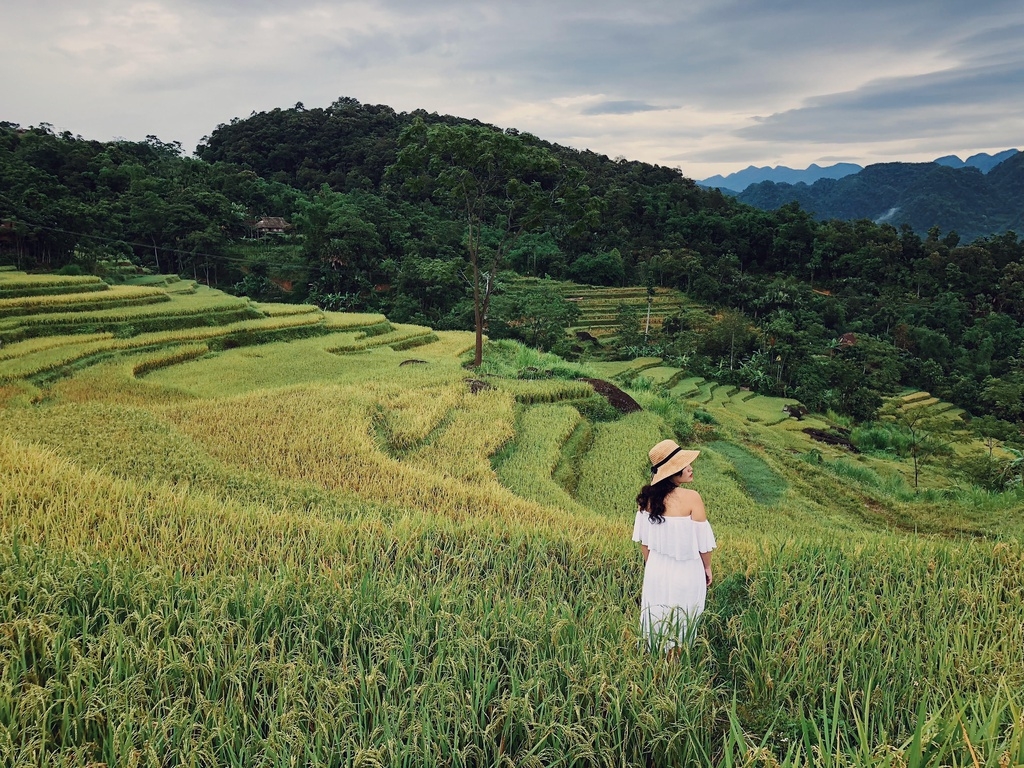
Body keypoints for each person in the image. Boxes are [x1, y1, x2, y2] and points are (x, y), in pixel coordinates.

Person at [633, 439, 716, 653]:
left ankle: (655, 661)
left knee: (657, 618)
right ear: (672, 472)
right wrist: (707, 568)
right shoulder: (692, 498)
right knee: (684, 617)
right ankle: (677, 663)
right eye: (684, 465)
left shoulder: (647, 500)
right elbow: (703, 544)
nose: (690, 467)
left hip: (656, 570)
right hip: (687, 570)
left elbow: (644, 543)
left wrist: (656, 567)